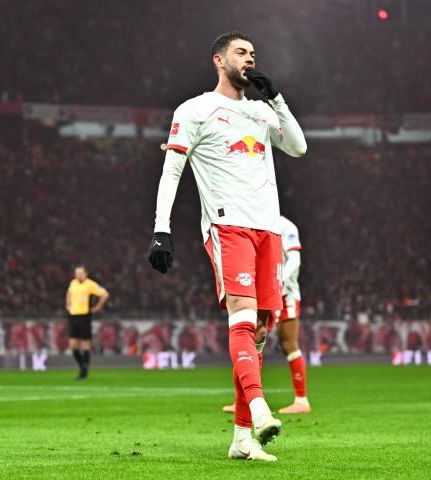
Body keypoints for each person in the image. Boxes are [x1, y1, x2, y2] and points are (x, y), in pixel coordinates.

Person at [148, 31, 307, 461]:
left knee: (260, 332)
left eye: (253, 53)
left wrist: (277, 99)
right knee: (242, 315)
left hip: (268, 230)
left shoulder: (261, 111)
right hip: (228, 225)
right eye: (241, 52)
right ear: (219, 60)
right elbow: (171, 171)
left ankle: (241, 439)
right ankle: (258, 408)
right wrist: (161, 228)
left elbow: (298, 147)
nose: (250, 58)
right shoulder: (195, 110)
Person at [223, 215, 310, 414]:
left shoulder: (286, 226)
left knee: (289, 345)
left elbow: (295, 259)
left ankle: (302, 401)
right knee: (250, 340)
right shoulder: (254, 221)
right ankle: (243, 401)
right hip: (263, 293)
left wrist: (278, 281)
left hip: (285, 294)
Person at [66, 265, 109, 380]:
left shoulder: (90, 284)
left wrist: (98, 307)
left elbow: (105, 294)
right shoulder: (73, 283)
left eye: (80, 273)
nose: (78, 275)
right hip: (73, 316)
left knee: (85, 344)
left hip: (84, 316)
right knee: (73, 346)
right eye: (77, 273)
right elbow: (69, 293)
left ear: (85, 274)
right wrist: (68, 304)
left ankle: (84, 371)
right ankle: (82, 366)